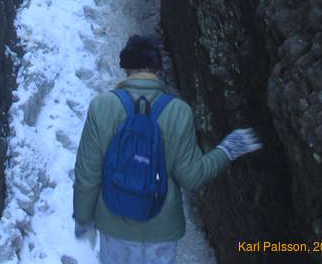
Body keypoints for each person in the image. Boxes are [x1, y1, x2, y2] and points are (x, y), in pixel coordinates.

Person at [73, 35, 262, 264]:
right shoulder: (179, 111)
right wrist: (228, 150)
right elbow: (192, 176)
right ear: (159, 72)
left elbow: (87, 174)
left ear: (125, 69)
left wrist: (83, 218)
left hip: (115, 229)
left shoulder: (102, 106)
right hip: (161, 232)